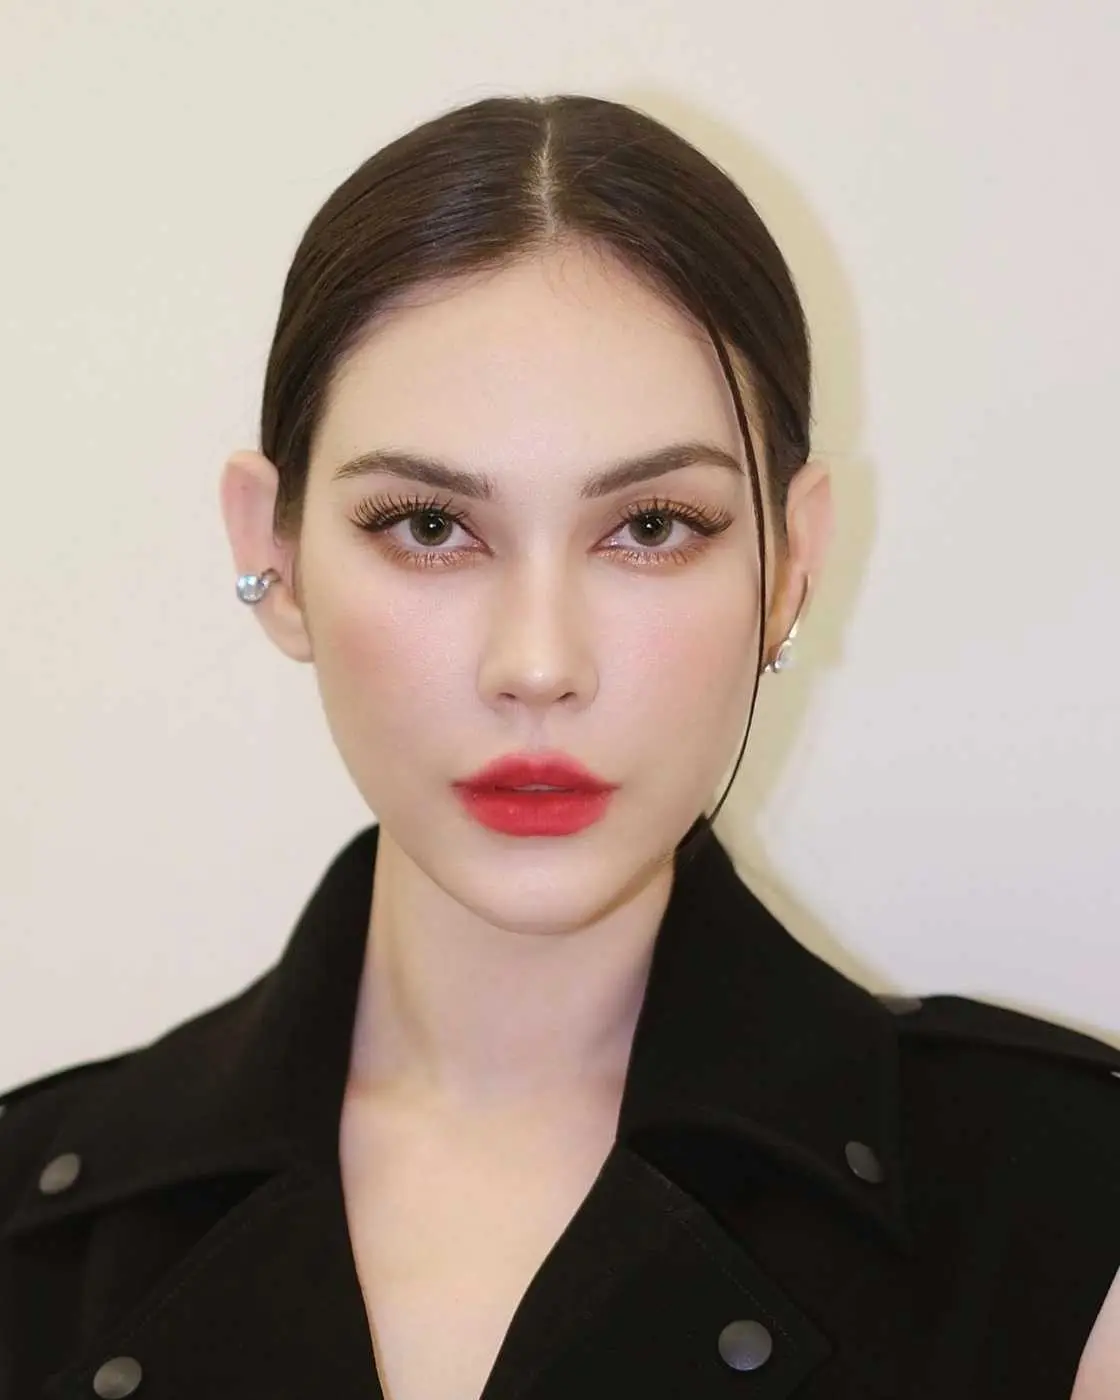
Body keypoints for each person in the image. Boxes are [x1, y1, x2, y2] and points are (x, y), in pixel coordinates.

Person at [1, 92, 1117, 1400]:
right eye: (429, 527)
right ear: (275, 554)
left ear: (790, 564)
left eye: (651, 527)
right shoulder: (31, 1234)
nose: (538, 663)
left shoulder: (1066, 1210)